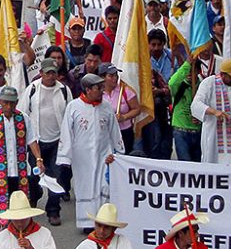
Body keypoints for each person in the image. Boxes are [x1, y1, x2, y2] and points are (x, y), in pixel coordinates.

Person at [57, 73, 124, 230]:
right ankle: (86, 222)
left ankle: (102, 220)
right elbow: (66, 131)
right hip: (82, 157)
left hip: (103, 154)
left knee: (103, 186)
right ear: (87, 89)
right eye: (98, 88)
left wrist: (119, 153)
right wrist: (64, 157)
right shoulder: (73, 107)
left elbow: (114, 130)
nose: (101, 91)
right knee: (85, 186)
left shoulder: (106, 106)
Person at [0, 85, 43, 229]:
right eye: (6, 102)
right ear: (0, 101)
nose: (9, 106)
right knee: (1, 206)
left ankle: (21, 233)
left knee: (20, 206)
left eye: (12, 103)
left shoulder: (23, 118)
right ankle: (1, 234)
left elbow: (32, 141)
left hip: (20, 172)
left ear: (17, 102)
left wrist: (39, 159)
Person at [19, 59, 72, 226]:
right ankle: (34, 195)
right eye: (47, 72)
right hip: (36, 142)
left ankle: (53, 211)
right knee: (34, 176)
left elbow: (70, 113)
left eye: (53, 72)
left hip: (57, 141)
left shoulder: (63, 90)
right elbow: (22, 113)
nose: (50, 76)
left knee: (56, 177)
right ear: (41, 73)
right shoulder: (32, 89)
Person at [100, 64, 141, 153]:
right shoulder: (98, 93)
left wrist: (124, 117)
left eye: (116, 75)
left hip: (124, 132)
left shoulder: (125, 91)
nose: (115, 78)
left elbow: (137, 109)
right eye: (111, 76)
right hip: (105, 132)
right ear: (103, 78)